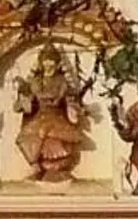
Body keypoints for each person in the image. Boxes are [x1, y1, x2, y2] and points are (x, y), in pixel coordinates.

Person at [14, 43, 88, 183]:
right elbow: (29, 100)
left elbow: (68, 98)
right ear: (41, 63)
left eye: (52, 60)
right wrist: (23, 101)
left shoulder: (62, 81)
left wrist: (76, 109)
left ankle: (57, 171)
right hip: (39, 116)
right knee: (26, 138)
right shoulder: (35, 81)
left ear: (57, 63)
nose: (49, 64)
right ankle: (37, 168)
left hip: (56, 116)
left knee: (54, 139)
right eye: (46, 60)